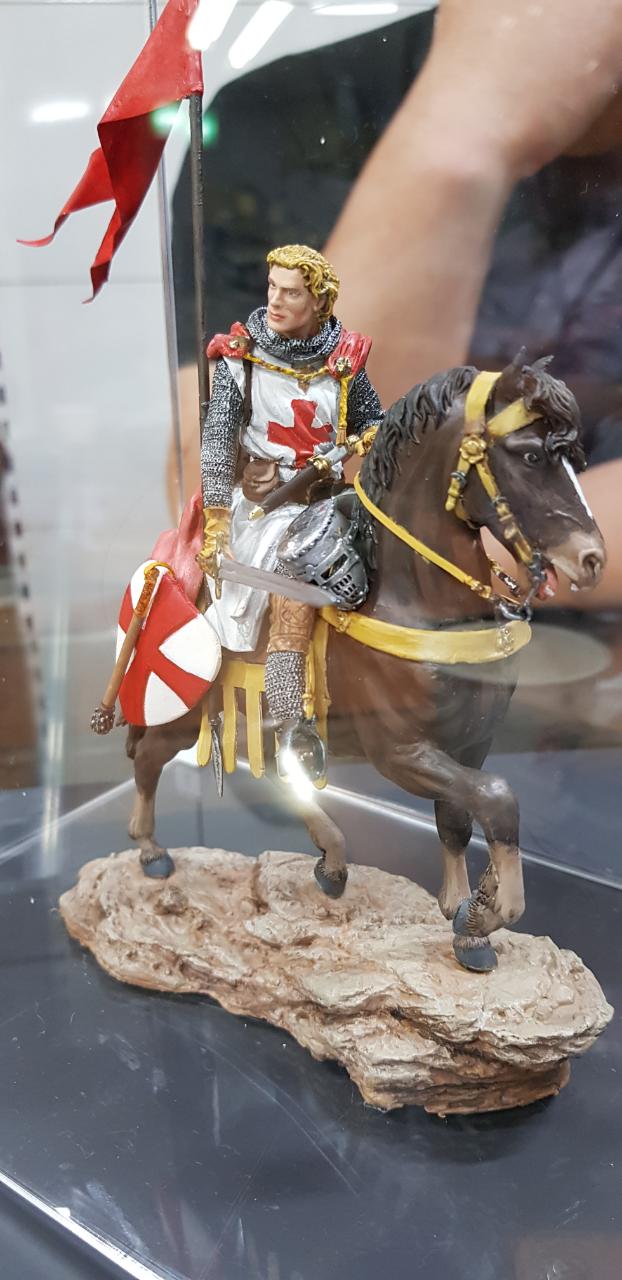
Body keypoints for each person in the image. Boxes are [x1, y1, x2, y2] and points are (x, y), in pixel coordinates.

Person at [170, 2, 622, 613]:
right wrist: (468, 120)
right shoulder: (285, 117)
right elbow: (224, 513)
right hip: (348, 657)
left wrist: (427, 565)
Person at [196, 243, 382, 775]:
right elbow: (217, 443)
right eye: (272, 287)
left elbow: (374, 420)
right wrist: (216, 521)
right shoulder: (242, 360)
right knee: (294, 581)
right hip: (267, 511)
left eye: (291, 292)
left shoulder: (344, 362)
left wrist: (361, 441)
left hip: (331, 502)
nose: (275, 300)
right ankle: (290, 723)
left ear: (319, 302)